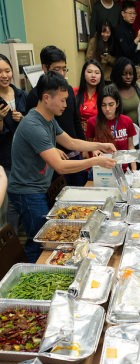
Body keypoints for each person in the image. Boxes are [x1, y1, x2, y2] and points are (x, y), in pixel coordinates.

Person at [7, 71, 117, 263]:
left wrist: (99, 145)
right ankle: (36, 276)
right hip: (27, 192)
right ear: (46, 98)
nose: (66, 105)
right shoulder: (33, 125)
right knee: (40, 244)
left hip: (37, 189)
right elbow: (60, 166)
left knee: (43, 239)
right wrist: (95, 161)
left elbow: (71, 142)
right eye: (63, 100)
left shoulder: (48, 120)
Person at [26, 45, 87, 187]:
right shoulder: (35, 96)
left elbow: (75, 120)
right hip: (53, 159)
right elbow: (37, 133)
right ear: (45, 68)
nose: (61, 73)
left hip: (74, 152)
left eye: (64, 68)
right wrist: (53, 149)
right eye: (56, 69)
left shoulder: (69, 90)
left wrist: (84, 148)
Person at [0, 53, 27, 232]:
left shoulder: (21, 94)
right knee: (8, 204)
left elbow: (31, 123)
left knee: (22, 198)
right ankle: (9, 241)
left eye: (7, 70)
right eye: (0, 72)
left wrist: (22, 118)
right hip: (5, 158)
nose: (4, 75)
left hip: (24, 157)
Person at [86, 84, 137, 172]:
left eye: (111, 104)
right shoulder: (92, 122)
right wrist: (94, 150)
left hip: (122, 169)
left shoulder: (127, 121)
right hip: (101, 170)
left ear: (117, 103)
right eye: (103, 105)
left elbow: (131, 147)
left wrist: (134, 170)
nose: (107, 109)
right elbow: (88, 145)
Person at [114, 1, 140, 68]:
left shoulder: (131, 28)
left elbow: (133, 47)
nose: (133, 16)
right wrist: (137, 38)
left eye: (134, 13)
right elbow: (127, 52)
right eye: (130, 13)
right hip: (123, 66)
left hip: (132, 64)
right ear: (123, 13)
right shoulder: (120, 30)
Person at [74, 59, 105, 136]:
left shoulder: (105, 95)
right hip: (77, 136)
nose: (93, 75)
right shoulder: (74, 92)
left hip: (98, 136)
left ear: (101, 76)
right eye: (89, 72)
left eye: (97, 73)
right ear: (83, 74)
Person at [110, 57, 140, 124]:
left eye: (131, 74)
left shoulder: (138, 88)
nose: (128, 77)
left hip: (139, 130)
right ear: (118, 74)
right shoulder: (111, 91)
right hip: (121, 131)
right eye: (124, 74)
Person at [85, 19, 116, 84]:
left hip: (109, 77)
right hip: (96, 76)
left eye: (108, 33)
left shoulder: (113, 42)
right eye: (103, 32)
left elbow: (117, 61)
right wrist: (98, 60)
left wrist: (109, 58)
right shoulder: (93, 41)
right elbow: (88, 59)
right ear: (99, 32)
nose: (105, 35)